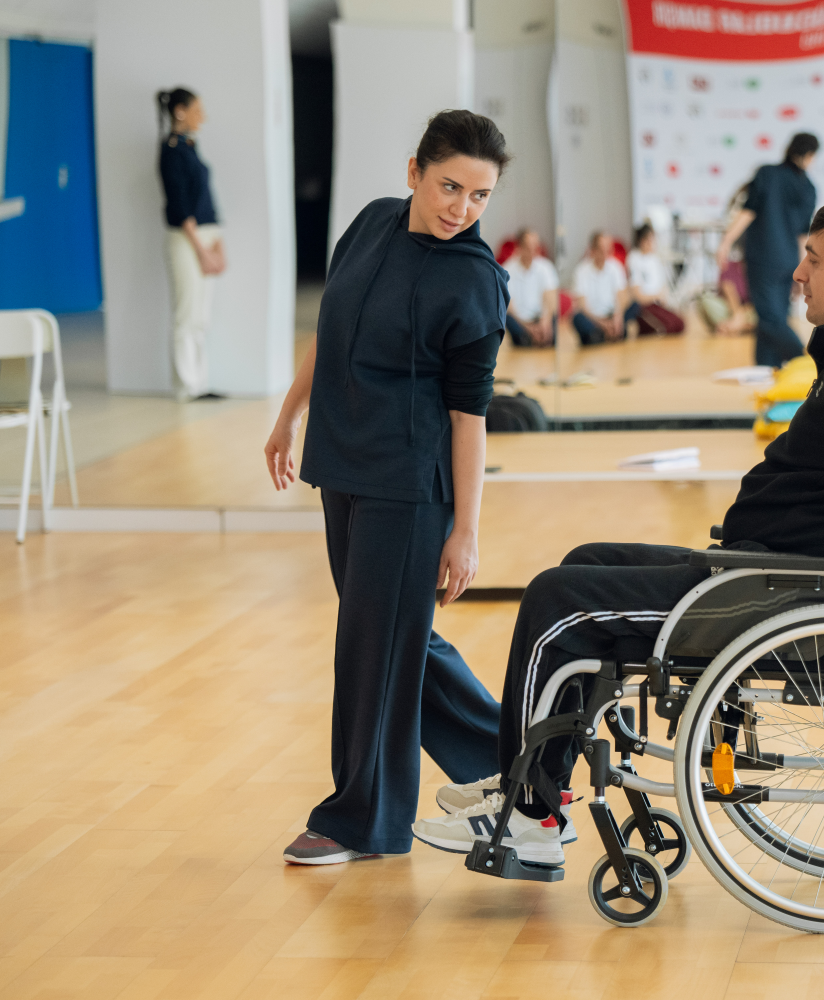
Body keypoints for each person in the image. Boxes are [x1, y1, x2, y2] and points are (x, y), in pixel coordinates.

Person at [411, 189, 824, 865]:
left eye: (813, 258)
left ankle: (529, 816)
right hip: (770, 573)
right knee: (585, 560)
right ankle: (538, 785)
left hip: (779, 594)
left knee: (555, 599)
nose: (797, 272)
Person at [263, 110, 511, 866]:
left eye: (479, 195)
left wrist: (465, 531)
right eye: (449, 187)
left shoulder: (476, 281)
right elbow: (329, 329)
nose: (461, 208)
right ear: (414, 172)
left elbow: (470, 417)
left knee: (372, 647)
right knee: (397, 638)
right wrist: (288, 416)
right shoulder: (372, 223)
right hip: (343, 464)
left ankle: (361, 821)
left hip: (409, 487)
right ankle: (520, 765)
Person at [715, 132, 819, 367]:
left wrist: (725, 242)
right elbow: (803, 235)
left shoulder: (767, 174)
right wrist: (803, 269)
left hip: (763, 259)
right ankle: (765, 369)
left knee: (770, 319)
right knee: (771, 319)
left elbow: (748, 211)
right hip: (789, 261)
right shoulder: (809, 188)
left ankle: (805, 361)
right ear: (809, 155)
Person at [157, 88, 227, 401]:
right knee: (186, 314)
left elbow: (205, 199)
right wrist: (201, 249)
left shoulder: (190, 147)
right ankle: (186, 386)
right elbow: (180, 204)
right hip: (187, 238)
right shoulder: (170, 151)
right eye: (198, 110)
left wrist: (217, 245)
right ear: (180, 111)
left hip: (205, 234)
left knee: (201, 317)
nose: (203, 116)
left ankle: (200, 382)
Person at [624, 222, 685, 335]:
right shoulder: (634, 259)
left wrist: (663, 299)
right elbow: (638, 295)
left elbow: (663, 288)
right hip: (644, 306)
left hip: (658, 304)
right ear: (642, 241)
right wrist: (656, 296)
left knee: (679, 324)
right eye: (650, 239)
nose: (653, 243)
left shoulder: (654, 259)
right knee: (666, 327)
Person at [570, 232, 629, 345]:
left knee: (634, 306)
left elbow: (622, 297)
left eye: (608, 250)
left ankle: (604, 334)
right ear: (593, 250)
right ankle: (602, 334)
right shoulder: (581, 271)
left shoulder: (616, 267)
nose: (605, 254)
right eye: (602, 250)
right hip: (593, 318)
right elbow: (582, 306)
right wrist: (602, 324)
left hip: (611, 315)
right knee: (577, 318)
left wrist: (617, 318)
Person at [503, 228, 559, 347]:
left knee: (555, 323)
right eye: (529, 246)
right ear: (519, 247)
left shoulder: (546, 267)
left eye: (536, 246)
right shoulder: (507, 270)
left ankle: (541, 336)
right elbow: (509, 307)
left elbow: (550, 299)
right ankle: (529, 338)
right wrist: (528, 327)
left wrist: (545, 322)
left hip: (541, 318)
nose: (533, 250)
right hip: (520, 321)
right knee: (507, 319)